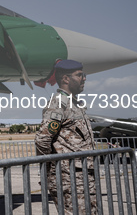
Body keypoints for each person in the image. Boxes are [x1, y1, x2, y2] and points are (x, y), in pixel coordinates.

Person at [35, 59, 97, 215]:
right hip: (69, 179)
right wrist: (52, 171)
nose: (84, 78)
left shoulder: (74, 104)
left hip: (83, 176)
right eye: (80, 75)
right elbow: (42, 140)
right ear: (65, 79)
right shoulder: (58, 104)